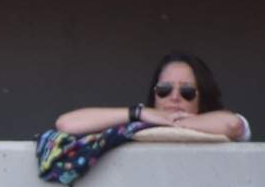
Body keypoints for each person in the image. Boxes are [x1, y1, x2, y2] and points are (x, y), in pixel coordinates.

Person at [54, 50, 250, 141]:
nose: (174, 97)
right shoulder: (139, 120)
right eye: (165, 89)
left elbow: (232, 125)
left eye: (187, 91)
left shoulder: (216, 120)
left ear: (202, 97)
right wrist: (139, 114)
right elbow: (66, 124)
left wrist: (169, 122)